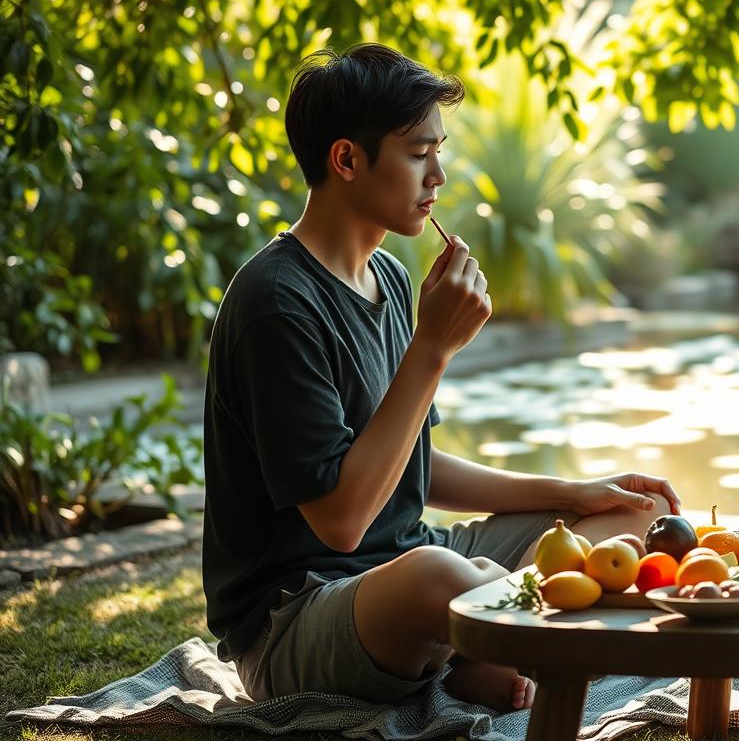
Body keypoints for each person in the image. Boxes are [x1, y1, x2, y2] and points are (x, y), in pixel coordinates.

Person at [201, 43, 680, 713]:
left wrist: (576, 492)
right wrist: (433, 349)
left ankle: (470, 649)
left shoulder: (391, 280)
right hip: (301, 616)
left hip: (413, 559)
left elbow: (415, 462)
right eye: (419, 153)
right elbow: (340, 522)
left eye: (439, 151)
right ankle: (479, 643)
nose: (440, 176)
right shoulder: (276, 304)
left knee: (637, 516)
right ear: (347, 159)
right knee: (437, 578)